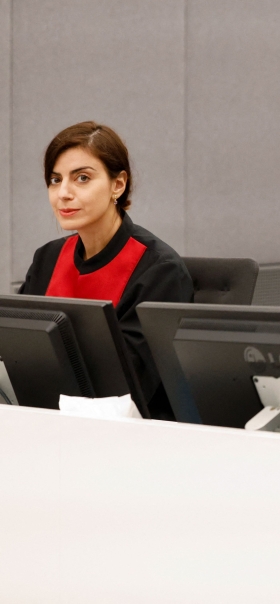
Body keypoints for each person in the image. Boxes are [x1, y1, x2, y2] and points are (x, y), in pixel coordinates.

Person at [19, 122, 193, 418]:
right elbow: (17, 352)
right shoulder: (47, 258)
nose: (63, 193)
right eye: (55, 179)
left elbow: (129, 390)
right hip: (49, 422)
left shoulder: (159, 271)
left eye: (82, 178)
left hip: (127, 438)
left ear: (118, 184)